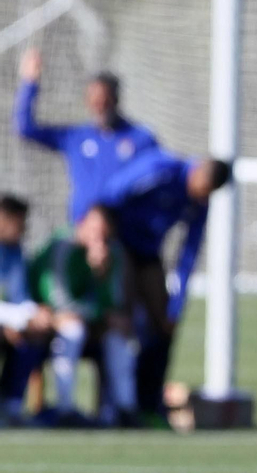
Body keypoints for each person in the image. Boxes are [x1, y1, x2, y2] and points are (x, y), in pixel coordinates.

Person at [95, 147, 233, 422]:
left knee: (164, 326)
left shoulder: (199, 203)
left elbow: (188, 253)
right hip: (119, 244)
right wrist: (100, 238)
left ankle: (149, 404)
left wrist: (176, 306)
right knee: (122, 319)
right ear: (198, 172)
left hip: (148, 254)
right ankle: (113, 406)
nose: (201, 196)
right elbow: (111, 194)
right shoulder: (161, 169)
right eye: (202, 188)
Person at [14, 49, 159, 223]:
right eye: (94, 100)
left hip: (124, 236)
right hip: (81, 231)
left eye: (104, 100)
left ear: (116, 99)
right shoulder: (75, 138)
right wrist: (30, 82)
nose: (99, 106)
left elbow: (158, 179)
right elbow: (25, 128)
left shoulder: (141, 138)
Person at [28, 205, 138, 426]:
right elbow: (58, 299)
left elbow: (112, 302)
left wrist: (101, 273)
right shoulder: (62, 246)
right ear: (83, 224)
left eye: (104, 233)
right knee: (72, 332)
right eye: (94, 229)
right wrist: (98, 314)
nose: (98, 238)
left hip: (89, 319)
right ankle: (65, 409)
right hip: (45, 315)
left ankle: (125, 409)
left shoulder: (112, 252)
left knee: (119, 337)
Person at [0, 194, 53, 424]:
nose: (23, 229)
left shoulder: (15, 252)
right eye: (19, 222)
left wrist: (36, 314)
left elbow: (21, 297)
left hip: (9, 322)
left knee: (36, 334)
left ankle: (10, 404)